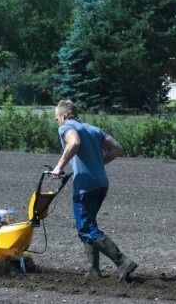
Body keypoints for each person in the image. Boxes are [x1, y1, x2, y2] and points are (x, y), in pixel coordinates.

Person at [52, 100, 137, 282]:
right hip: (101, 183)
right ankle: (93, 270)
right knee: (90, 225)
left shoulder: (66, 127)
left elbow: (74, 142)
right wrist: (97, 163)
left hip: (85, 186)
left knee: (85, 228)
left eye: (57, 118)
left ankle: (123, 261)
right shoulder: (92, 129)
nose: (57, 121)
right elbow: (116, 148)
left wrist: (59, 166)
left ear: (64, 116)